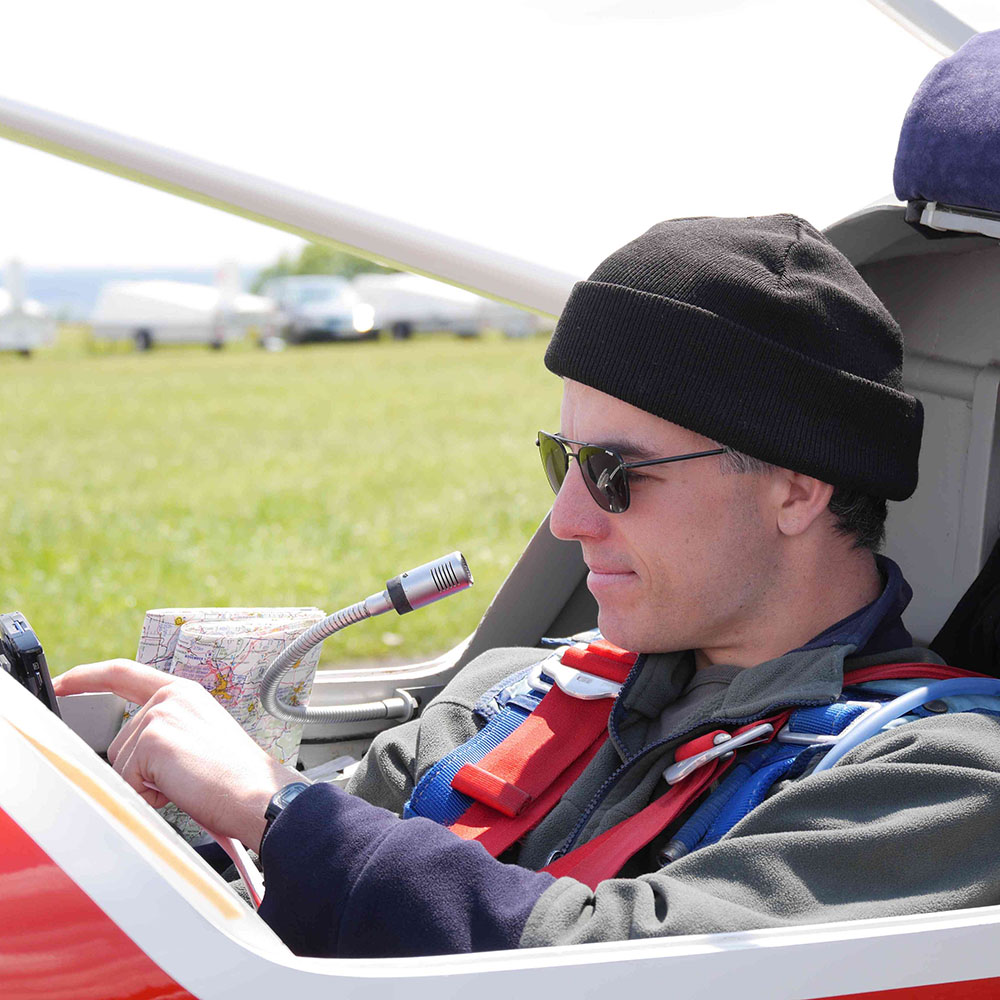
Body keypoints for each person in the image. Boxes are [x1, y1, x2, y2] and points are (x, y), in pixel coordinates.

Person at [53, 214, 1000, 959]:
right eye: (564, 461)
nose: (569, 519)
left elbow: (628, 969)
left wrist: (273, 806)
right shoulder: (505, 696)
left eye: (617, 473)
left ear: (796, 489)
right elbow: (263, 905)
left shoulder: (941, 779)